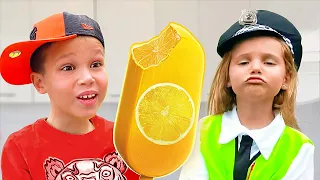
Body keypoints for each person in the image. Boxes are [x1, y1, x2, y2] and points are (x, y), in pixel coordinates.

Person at [0, 12, 140, 180]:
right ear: (39, 82)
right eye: (68, 67)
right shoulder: (19, 148)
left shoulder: (124, 139)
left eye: (96, 64)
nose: (87, 78)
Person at [179, 9, 314, 180]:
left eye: (269, 62)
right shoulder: (202, 133)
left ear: (286, 79)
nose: (255, 68)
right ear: (227, 76)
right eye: (243, 62)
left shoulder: (300, 148)